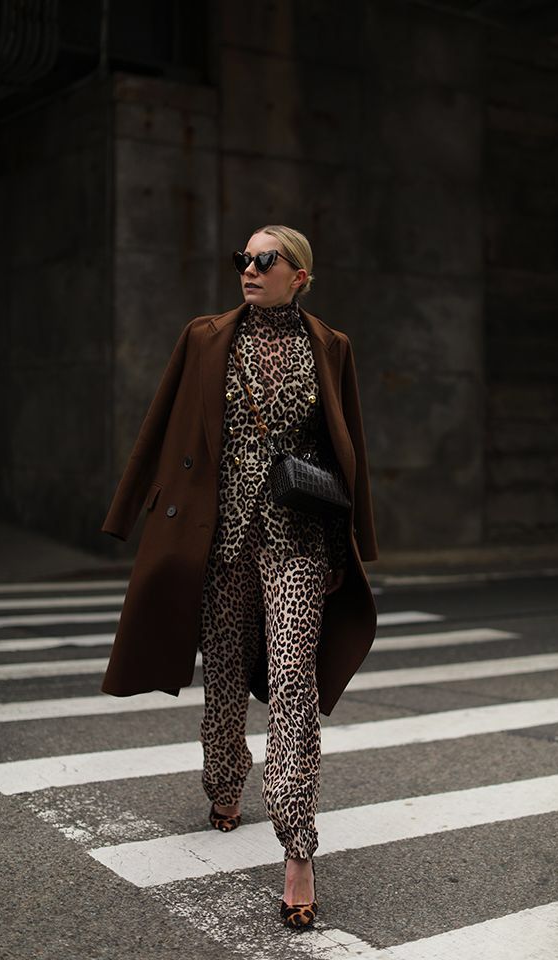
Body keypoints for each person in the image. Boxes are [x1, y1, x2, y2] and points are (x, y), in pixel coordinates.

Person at [99, 224, 379, 929]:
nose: (249, 270)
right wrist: (127, 511)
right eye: (243, 259)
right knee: (224, 676)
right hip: (219, 540)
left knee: (293, 684)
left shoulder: (331, 346)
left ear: (299, 276)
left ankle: (298, 847)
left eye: (265, 260)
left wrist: (351, 541)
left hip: (297, 540)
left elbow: (345, 445)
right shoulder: (205, 337)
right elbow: (161, 425)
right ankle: (224, 782)